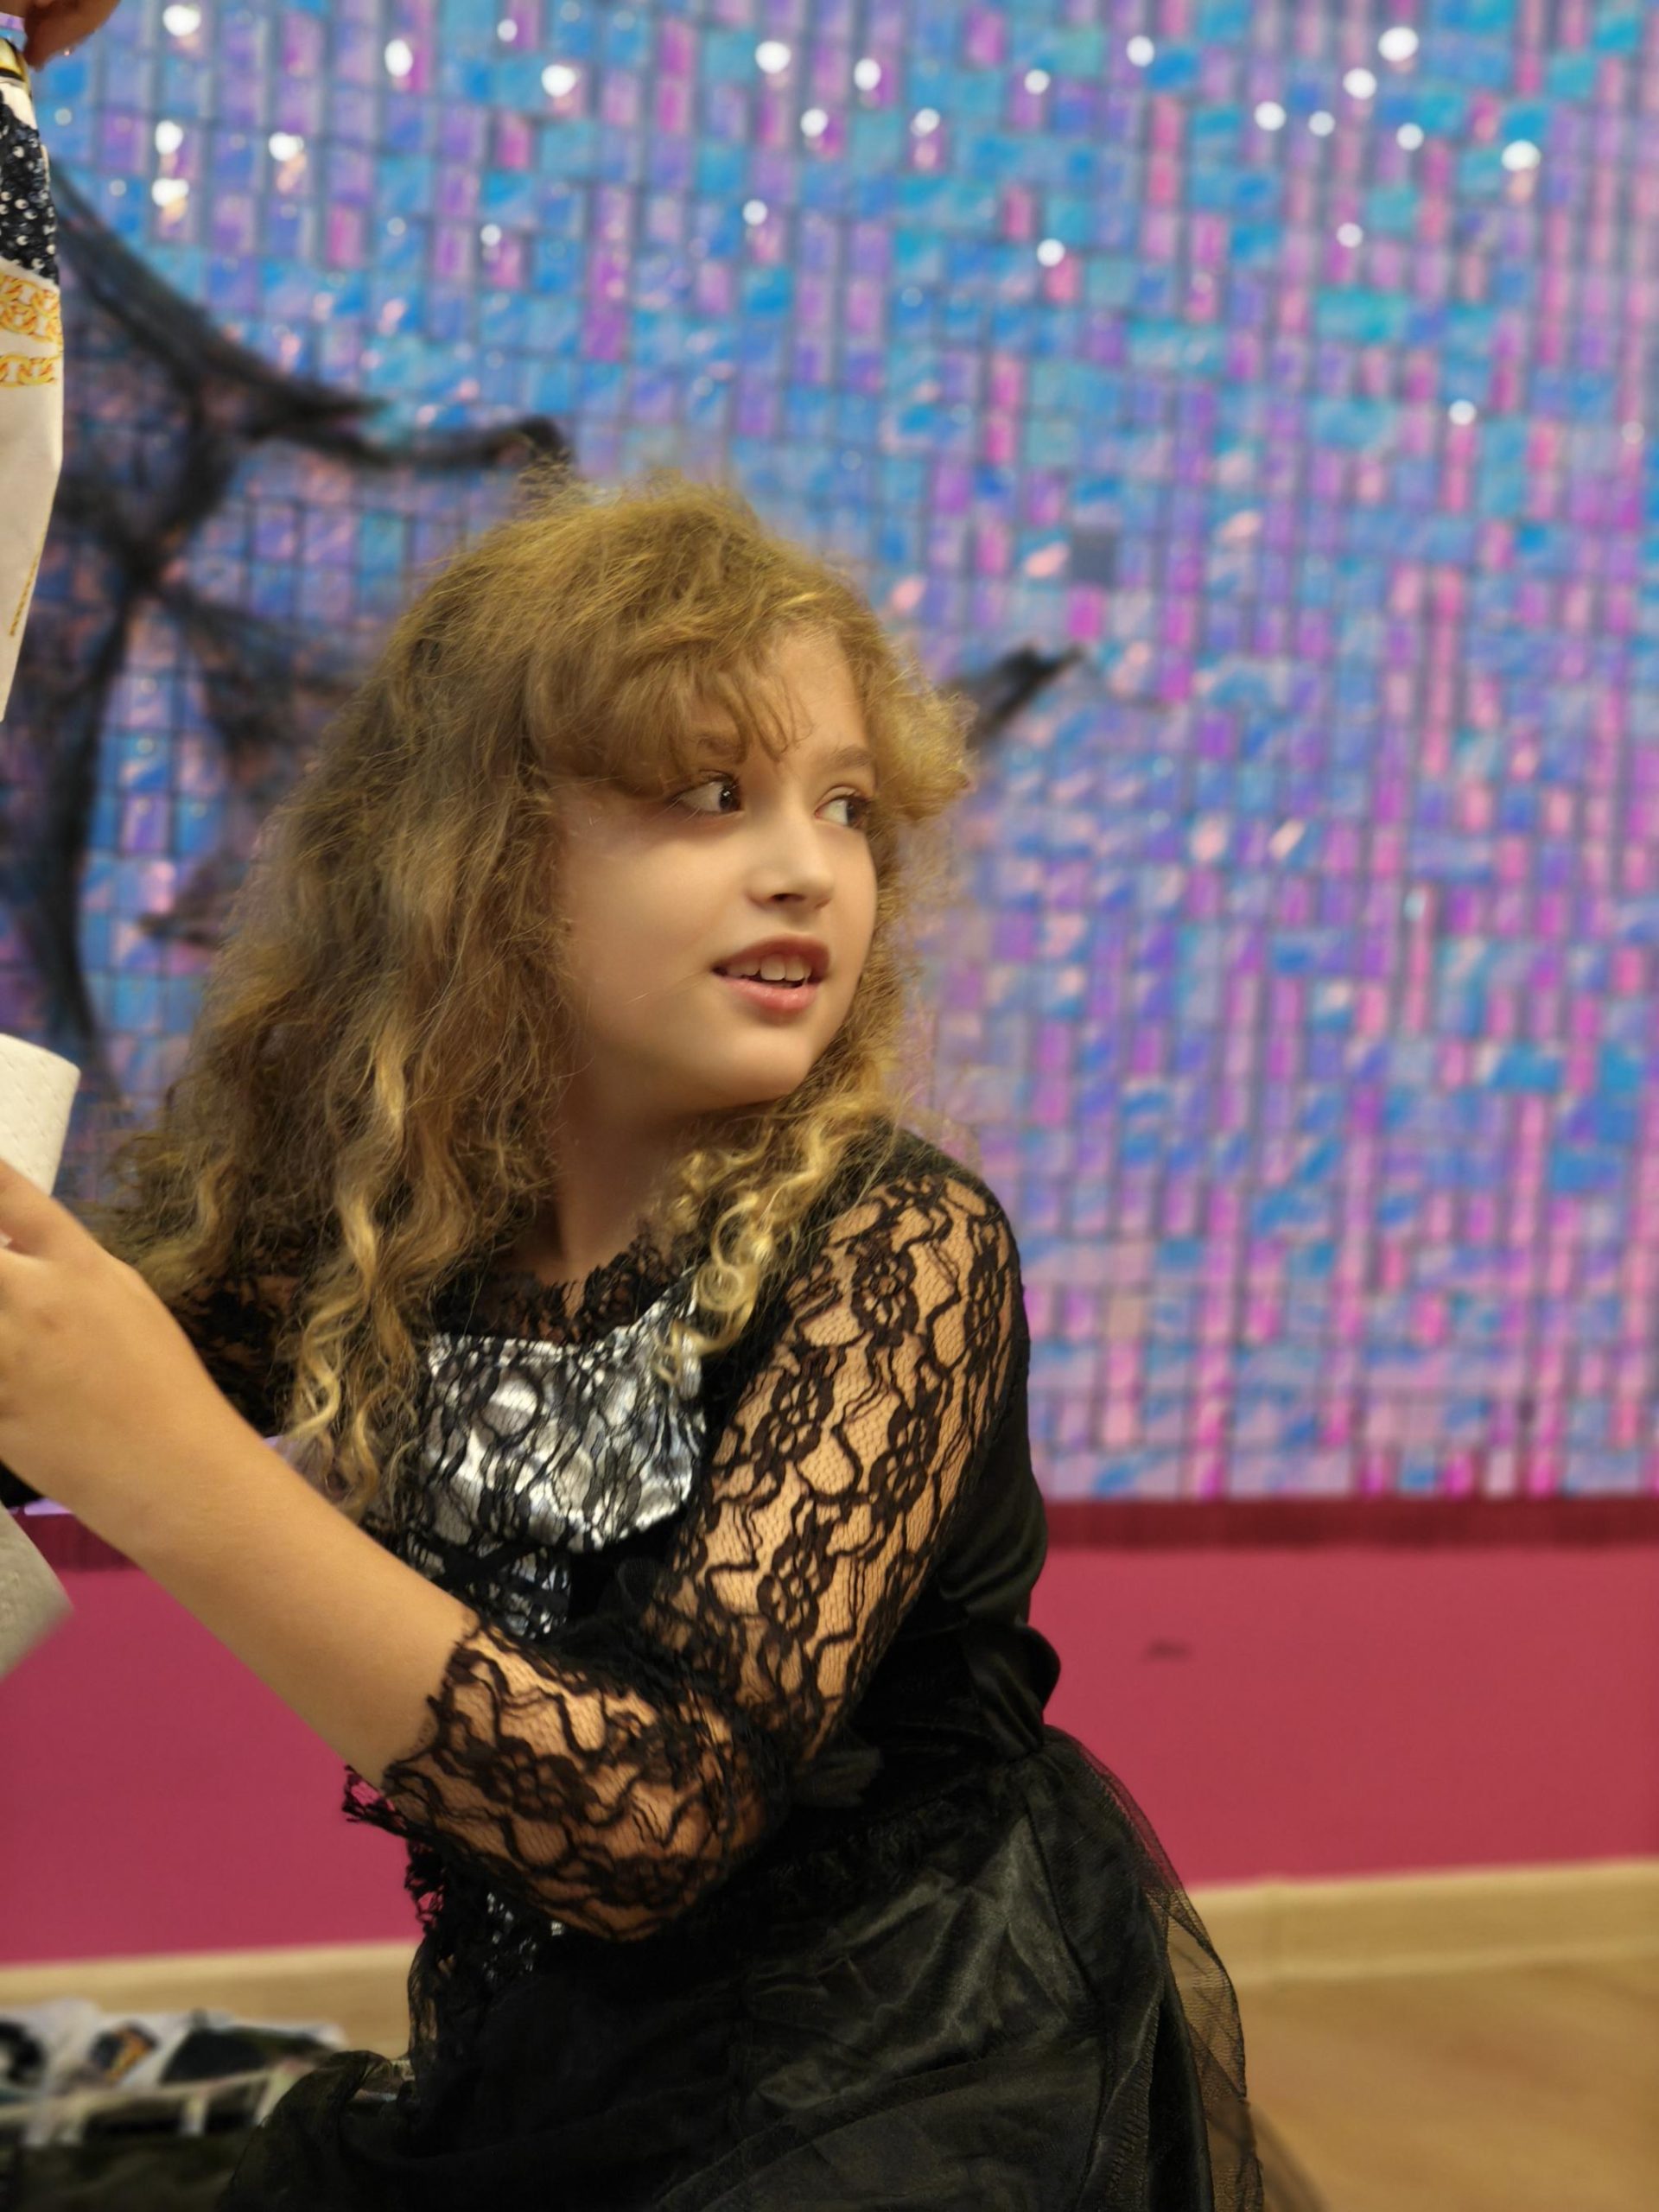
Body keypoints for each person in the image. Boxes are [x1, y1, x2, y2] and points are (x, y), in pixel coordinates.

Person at [30, 466, 1322, 2209]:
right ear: (480, 858)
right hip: (539, 2061)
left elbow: (650, 1820)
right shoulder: (395, 1220)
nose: (807, 868)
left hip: (885, 2081)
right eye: (713, 795)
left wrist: (166, 1468)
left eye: (847, 806)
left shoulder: (897, 1246)